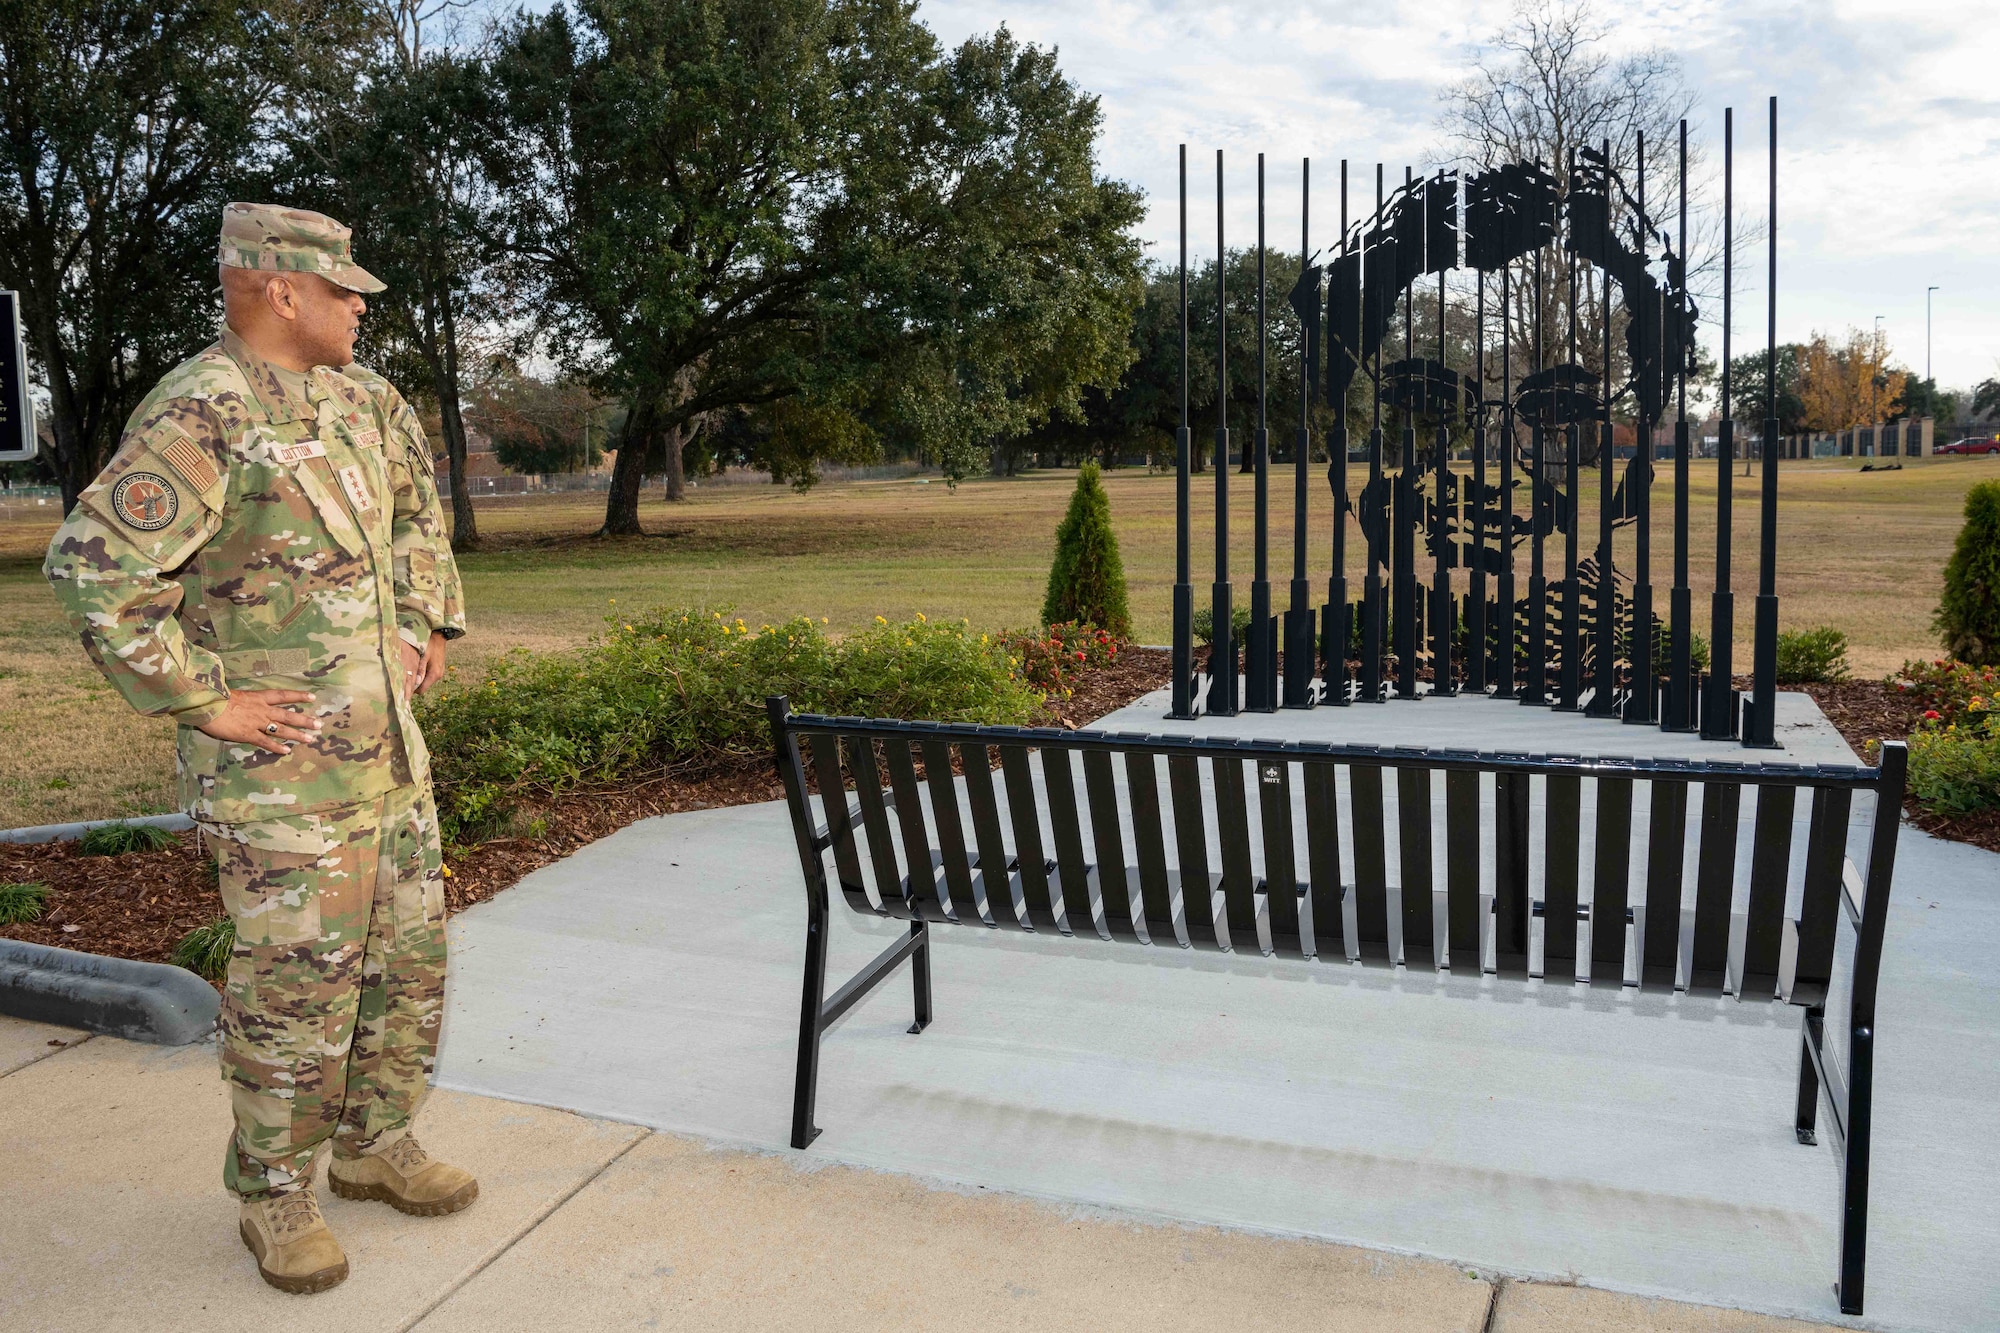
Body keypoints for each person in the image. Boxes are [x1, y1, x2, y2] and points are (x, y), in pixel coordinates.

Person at [44, 203, 472, 1295]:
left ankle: (376, 1142)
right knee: (294, 992)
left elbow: (423, 517)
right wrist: (202, 701)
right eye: (343, 290)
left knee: (406, 970)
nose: (359, 308)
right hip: (279, 780)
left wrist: (422, 624)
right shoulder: (206, 410)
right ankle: (276, 1193)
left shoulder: (368, 403)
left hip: (387, 759)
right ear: (281, 290)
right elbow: (95, 568)